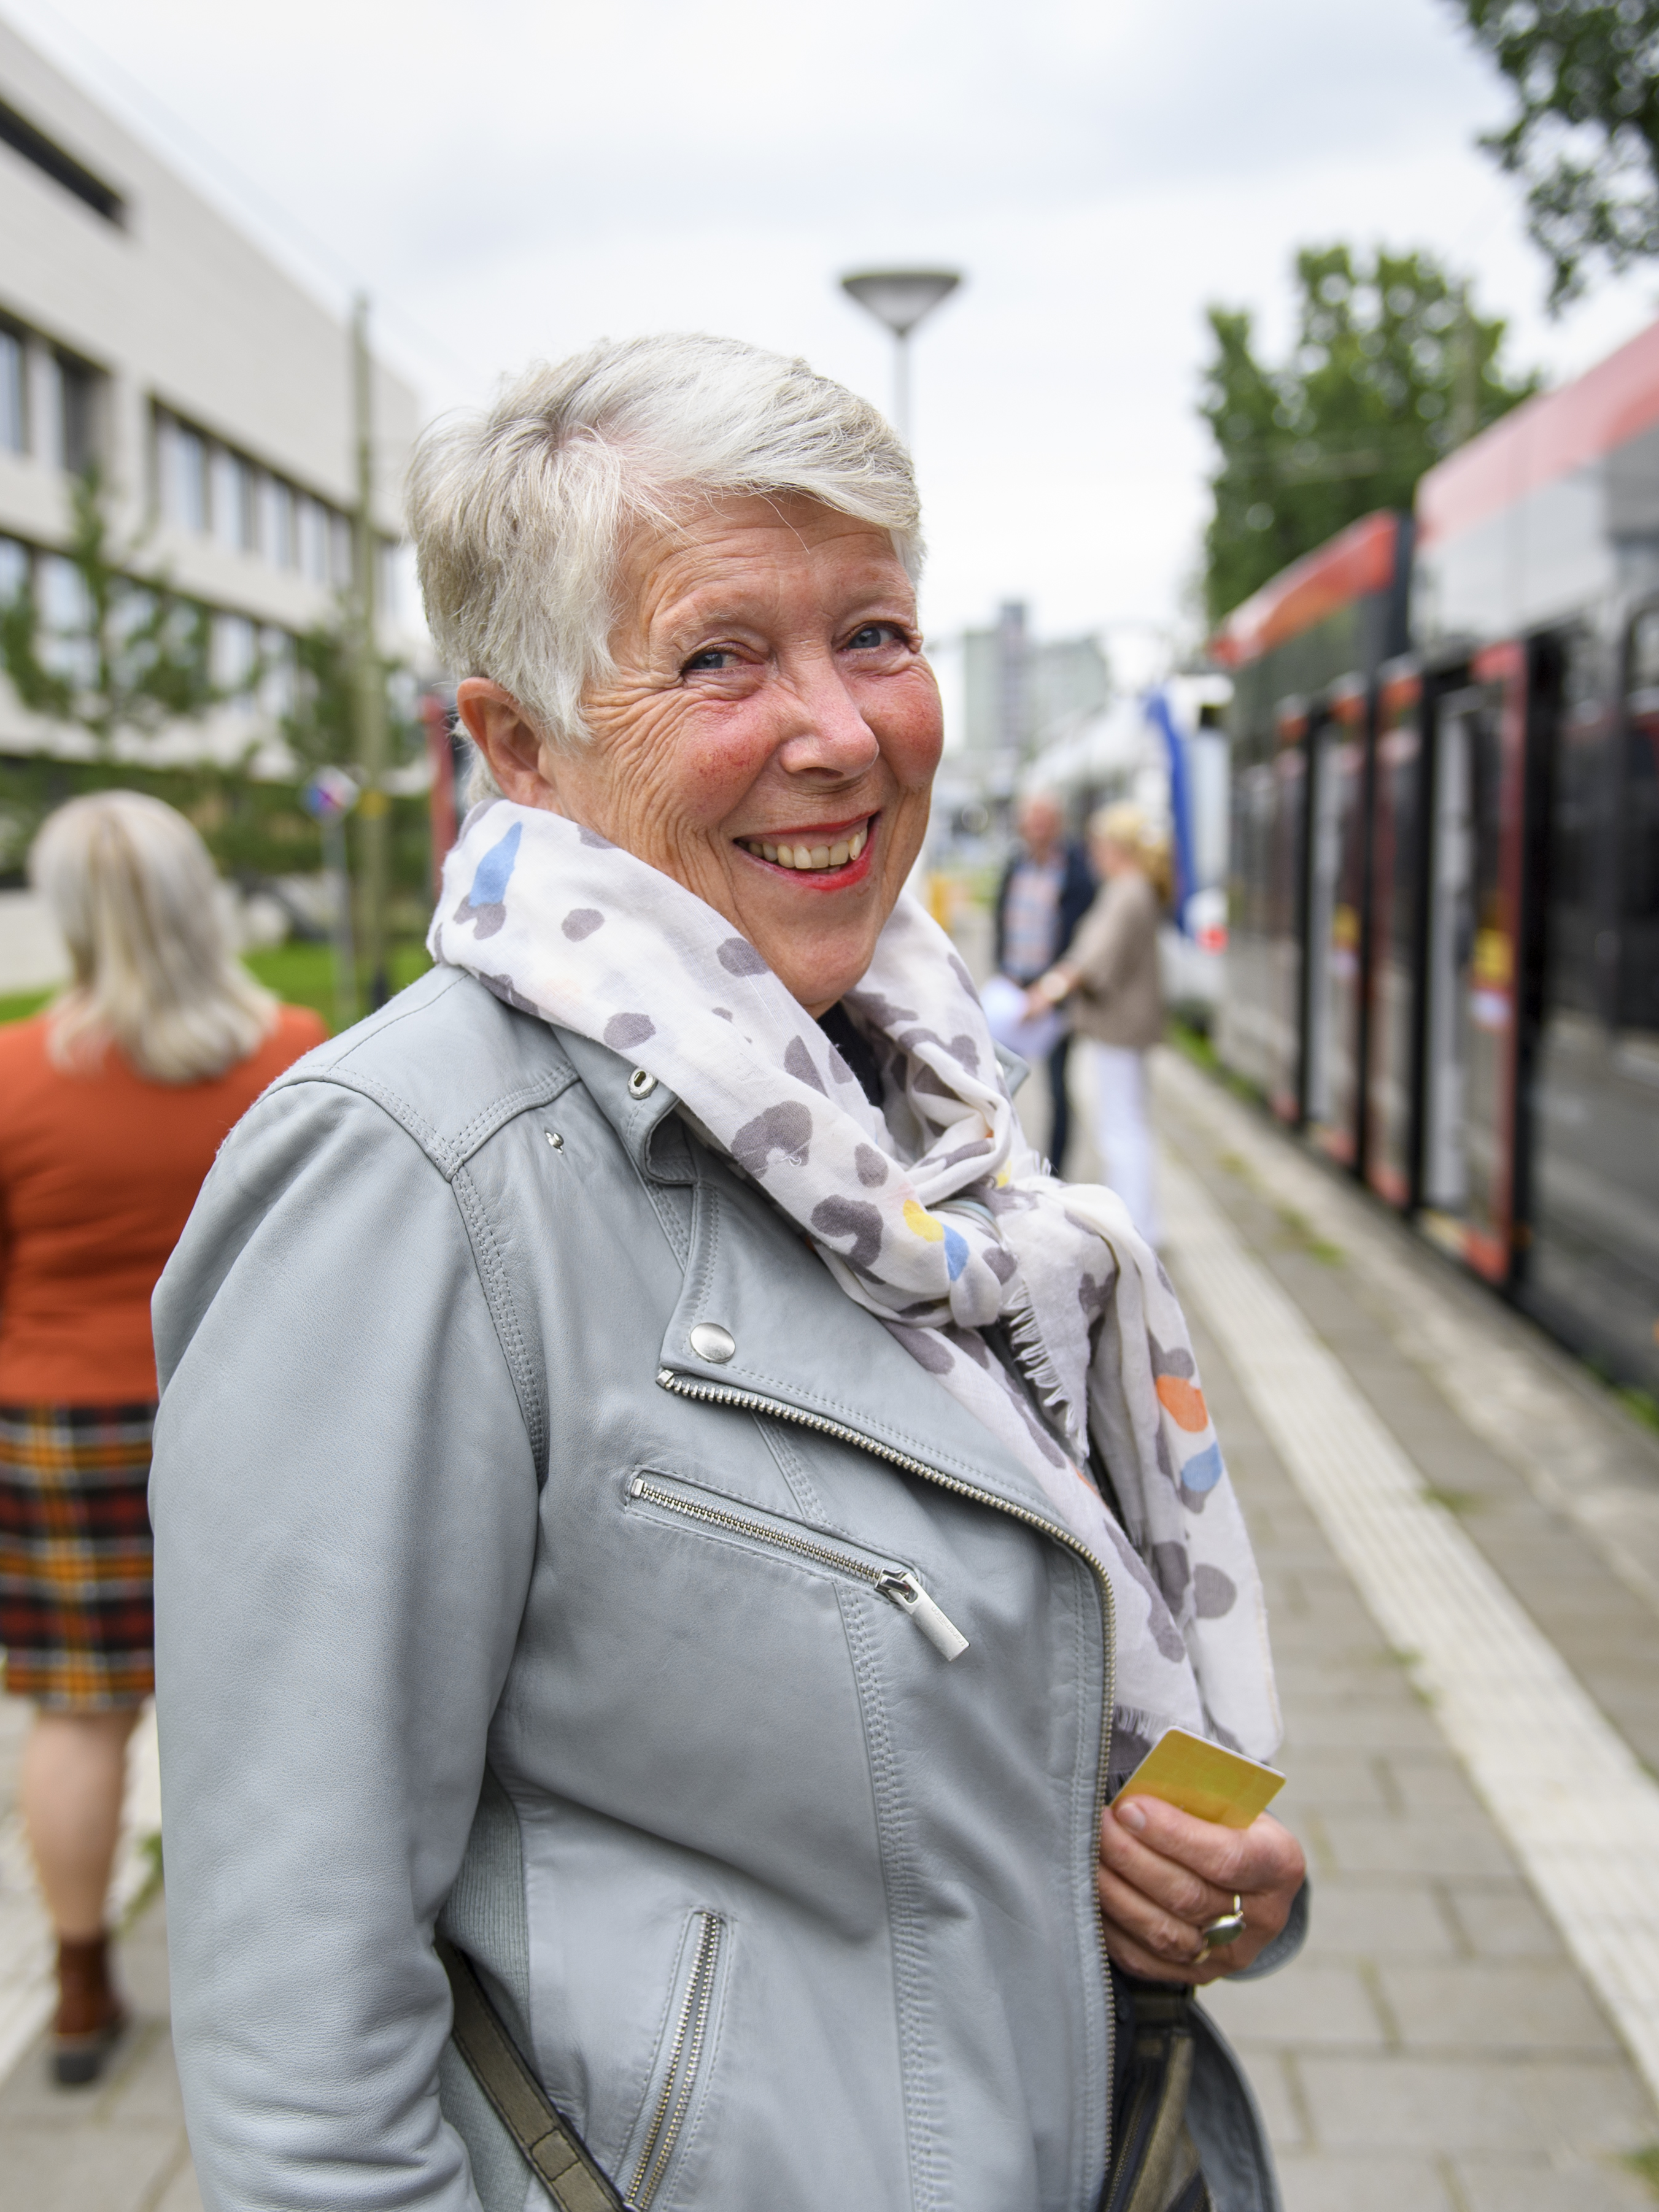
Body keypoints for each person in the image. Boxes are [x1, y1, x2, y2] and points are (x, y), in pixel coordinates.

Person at [151, 333, 1307, 2211]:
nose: (839, 730)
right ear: (515, 745)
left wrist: (1212, 1876)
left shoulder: (925, 1113)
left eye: (870, 632)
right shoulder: (409, 1176)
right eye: (716, 656)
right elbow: (300, 2048)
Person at [0, 792, 324, 2085]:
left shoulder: (2, 1069)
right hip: (254, 1406)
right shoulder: (293, 1048)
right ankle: (281, 1985)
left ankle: (81, 1982)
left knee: (79, 1717)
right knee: (270, 1710)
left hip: (65, 1418)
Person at [1030, 802, 1175, 1248]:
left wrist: (1048, 991)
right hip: (1127, 1027)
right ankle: (1141, 1221)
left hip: (1119, 1028)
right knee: (1127, 1121)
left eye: (1098, 843)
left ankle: (1133, 1227)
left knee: (1119, 1127)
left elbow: (1092, 957)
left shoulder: (1126, 891)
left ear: (1115, 847)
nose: (1092, 852)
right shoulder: (1137, 888)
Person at [993, 790, 1097, 1170]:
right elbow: (1001, 920)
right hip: (1013, 990)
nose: (1037, 828)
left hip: (1054, 996)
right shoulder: (1015, 866)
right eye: (1032, 820)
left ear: (1057, 824)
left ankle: (1056, 1172)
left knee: (1057, 1088)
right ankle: (1003, 1162)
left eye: (1045, 820)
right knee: (999, 1084)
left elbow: (1085, 937)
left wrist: (1056, 988)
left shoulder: (1077, 872)